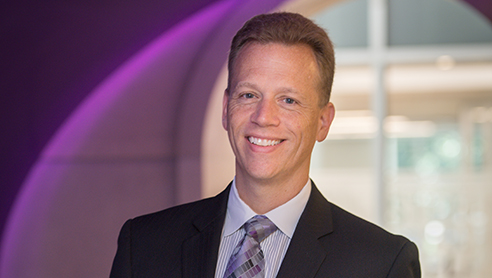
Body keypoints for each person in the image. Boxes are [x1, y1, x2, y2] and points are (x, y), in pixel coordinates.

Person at [110, 12, 421, 278]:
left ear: (323, 122)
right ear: (225, 108)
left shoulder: (381, 264)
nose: (264, 117)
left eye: (288, 100)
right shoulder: (144, 246)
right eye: (249, 95)